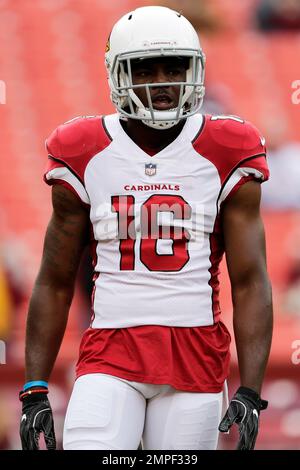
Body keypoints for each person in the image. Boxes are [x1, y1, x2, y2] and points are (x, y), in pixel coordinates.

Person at [19, 6, 273, 451]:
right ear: (118, 73)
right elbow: (55, 279)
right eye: (144, 68)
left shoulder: (228, 146)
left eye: (173, 67)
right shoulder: (83, 149)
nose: (161, 81)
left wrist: (251, 389)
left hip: (196, 355)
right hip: (109, 349)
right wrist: (35, 385)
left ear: (194, 69)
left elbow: (250, 280)